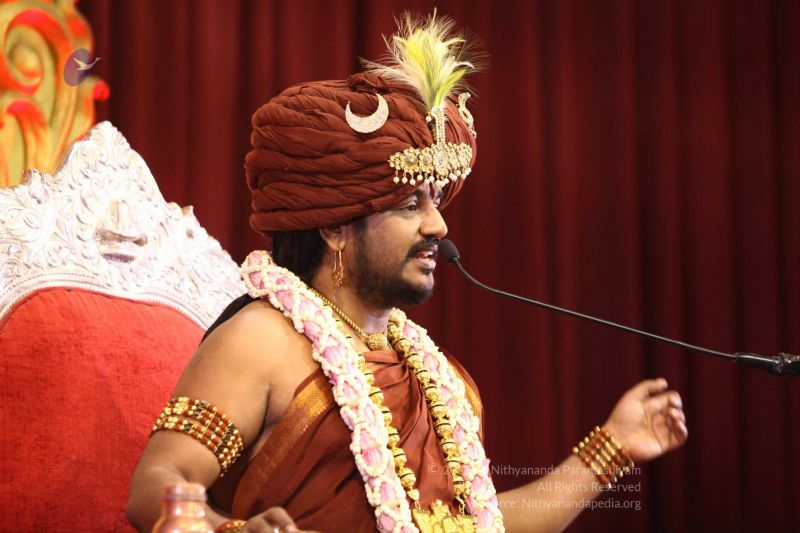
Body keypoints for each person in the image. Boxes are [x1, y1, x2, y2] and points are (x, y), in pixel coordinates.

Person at [126, 12, 687, 533]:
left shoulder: (441, 383)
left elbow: (483, 525)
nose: (438, 225)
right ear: (334, 226)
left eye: (434, 200)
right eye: (408, 205)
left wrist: (612, 448)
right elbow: (156, 486)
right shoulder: (263, 341)